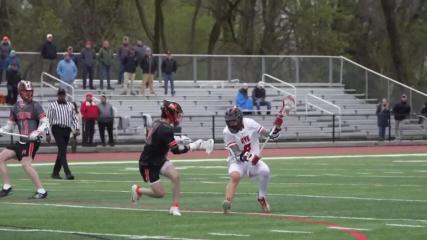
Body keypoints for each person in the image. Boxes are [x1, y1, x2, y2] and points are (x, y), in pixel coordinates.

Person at [131, 100, 214, 216]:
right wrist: (193, 146)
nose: (178, 117)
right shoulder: (166, 129)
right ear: (170, 113)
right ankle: (138, 190)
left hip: (159, 159)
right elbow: (175, 150)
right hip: (149, 164)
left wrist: (177, 138)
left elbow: (160, 137)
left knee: (175, 176)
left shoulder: (158, 123)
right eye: (177, 114)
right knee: (160, 194)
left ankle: (175, 207)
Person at [222, 107, 281, 213]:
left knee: (265, 171)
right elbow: (236, 153)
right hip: (237, 161)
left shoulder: (250, 123)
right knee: (235, 176)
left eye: (234, 121)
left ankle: (262, 197)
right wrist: (251, 157)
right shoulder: (227, 132)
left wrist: (276, 129)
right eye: (229, 122)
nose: (232, 124)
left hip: (253, 162)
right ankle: (228, 202)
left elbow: (268, 134)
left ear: (239, 119)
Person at [0, 81, 50, 199]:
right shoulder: (15, 107)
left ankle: (41, 191)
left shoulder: (35, 105)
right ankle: (7, 187)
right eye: (26, 91)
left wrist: (37, 132)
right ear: (20, 92)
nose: (29, 94)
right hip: (22, 141)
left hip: (32, 141)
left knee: (25, 164)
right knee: (1, 157)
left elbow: (45, 122)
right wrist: (2, 130)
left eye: (30, 91)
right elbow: (9, 125)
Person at [47, 88, 80, 180]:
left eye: (63, 94)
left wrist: (77, 128)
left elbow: (74, 118)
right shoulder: (52, 105)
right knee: (63, 150)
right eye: (60, 94)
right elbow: (48, 120)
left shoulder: (70, 105)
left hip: (67, 129)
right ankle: (67, 172)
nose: (61, 96)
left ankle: (55, 172)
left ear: (65, 95)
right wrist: (47, 133)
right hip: (56, 129)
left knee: (62, 151)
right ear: (57, 95)